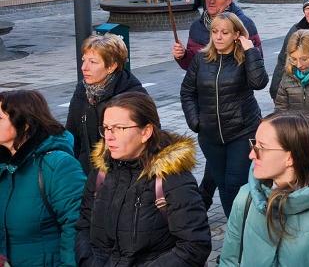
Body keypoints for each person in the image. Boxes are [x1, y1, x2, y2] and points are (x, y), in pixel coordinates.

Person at [74, 92, 211, 265]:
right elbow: (84, 225)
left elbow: (195, 245)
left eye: (119, 128)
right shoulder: (102, 172)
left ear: (146, 132)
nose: (109, 137)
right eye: (106, 128)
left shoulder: (172, 179)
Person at [219, 113, 309, 265]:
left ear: (290, 157)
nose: (251, 154)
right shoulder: (247, 197)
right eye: (254, 144)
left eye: (261, 148)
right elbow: (229, 261)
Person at [172, 0, 262, 211]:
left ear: (236, 34)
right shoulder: (202, 56)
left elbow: (259, 81)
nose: (219, 36)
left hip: (241, 131)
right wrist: (196, 121)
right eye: (215, 32)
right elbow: (188, 89)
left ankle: (242, 227)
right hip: (210, 132)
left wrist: (250, 51)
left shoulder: (244, 44)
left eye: (224, 32)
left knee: (235, 183)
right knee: (222, 184)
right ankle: (235, 227)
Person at [0, 90, 85, 267]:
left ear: (25, 125)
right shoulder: (4, 165)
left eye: (0, 118)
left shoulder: (57, 165)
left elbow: (76, 225)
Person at [66, 34, 146, 173]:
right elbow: (72, 135)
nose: (84, 67)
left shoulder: (132, 95)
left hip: (120, 174)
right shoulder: (82, 91)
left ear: (111, 66)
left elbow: (144, 143)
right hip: (86, 173)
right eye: (83, 60)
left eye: (93, 62)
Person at [173, 0, 262, 70]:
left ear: (229, 0)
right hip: (204, 83)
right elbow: (192, 66)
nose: (211, 1)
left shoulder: (245, 24)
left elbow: (257, 63)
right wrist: (183, 55)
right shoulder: (196, 27)